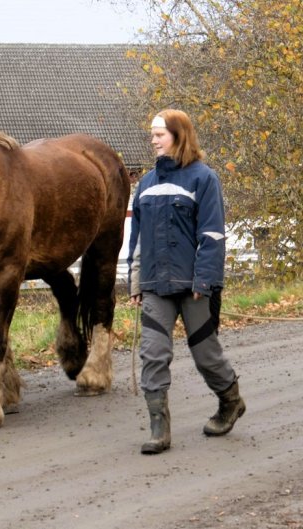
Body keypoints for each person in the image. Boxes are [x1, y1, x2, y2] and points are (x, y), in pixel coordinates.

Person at [128, 109, 245, 455]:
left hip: (194, 285)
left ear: (179, 136)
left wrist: (205, 279)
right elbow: (138, 239)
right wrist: (136, 282)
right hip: (155, 286)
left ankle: (230, 402)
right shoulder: (146, 184)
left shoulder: (203, 179)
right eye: (152, 134)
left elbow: (212, 235)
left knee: (206, 355)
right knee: (153, 353)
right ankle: (158, 428)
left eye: (159, 134)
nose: (153, 140)